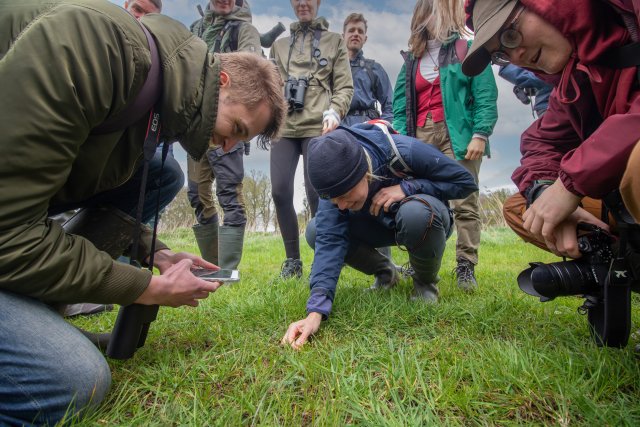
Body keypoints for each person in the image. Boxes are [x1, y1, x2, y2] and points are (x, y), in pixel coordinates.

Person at [0, 1, 286, 424]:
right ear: (221, 81)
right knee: (76, 381)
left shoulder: (158, 93)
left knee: (162, 174)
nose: (228, 148)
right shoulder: (95, 50)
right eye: (238, 130)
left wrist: (157, 254)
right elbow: (9, 237)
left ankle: (39, 307)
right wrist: (146, 288)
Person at [460, 0, 640, 257]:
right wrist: (543, 189)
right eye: (500, 53)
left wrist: (569, 185)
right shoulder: (577, 75)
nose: (515, 56)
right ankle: (616, 268)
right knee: (525, 208)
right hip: (624, 201)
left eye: (510, 33)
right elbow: (541, 142)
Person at [281, 122, 477, 349]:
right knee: (316, 230)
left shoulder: (403, 151)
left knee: (416, 214)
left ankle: (425, 285)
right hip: (376, 224)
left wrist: (407, 188)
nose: (342, 205)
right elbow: (329, 240)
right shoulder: (332, 180)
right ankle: (386, 273)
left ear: (364, 171)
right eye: (335, 200)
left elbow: (464, 182)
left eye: (345, 195)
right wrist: (315, 312)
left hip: (424, 219)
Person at [393, 0, 498, 292]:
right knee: (421, 201)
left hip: (458, 136)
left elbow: (485, 95)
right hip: (420, 139)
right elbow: (399, 105)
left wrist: (480, 133)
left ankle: (466, 266)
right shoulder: (411, 59)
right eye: (426, 13)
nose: (431, 19)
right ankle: (421, 261)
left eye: (435, 11)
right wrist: (403, 141)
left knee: (464, 202)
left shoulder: (467, 49)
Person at [269, 0, 354, 279]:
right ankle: (292, 260)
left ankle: (324, 256)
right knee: (280, 190)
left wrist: (335, 110)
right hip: (284, 127)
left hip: (318, 126)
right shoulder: (278, 47)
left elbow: (344, 85)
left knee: (317, 193)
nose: (303, 3)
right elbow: (269, 87)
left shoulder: (334, 41)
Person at [187, 0, 262, 270]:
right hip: (196, 127)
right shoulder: (196, 28)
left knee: (229, 193)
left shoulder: (244, 31)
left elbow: (253, 73)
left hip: (226, 124)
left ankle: (228, 269)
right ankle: (211, 265)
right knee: (196, 193)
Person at [341, 13, 394, 126]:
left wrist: (381, 127)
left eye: (360, 31)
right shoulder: (331, 70)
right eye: (351, 30)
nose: (356, 34)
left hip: (367, 128)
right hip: (338, 127)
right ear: (342, 36)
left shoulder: (374, 69)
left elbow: (390, 105)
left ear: (365, 38)